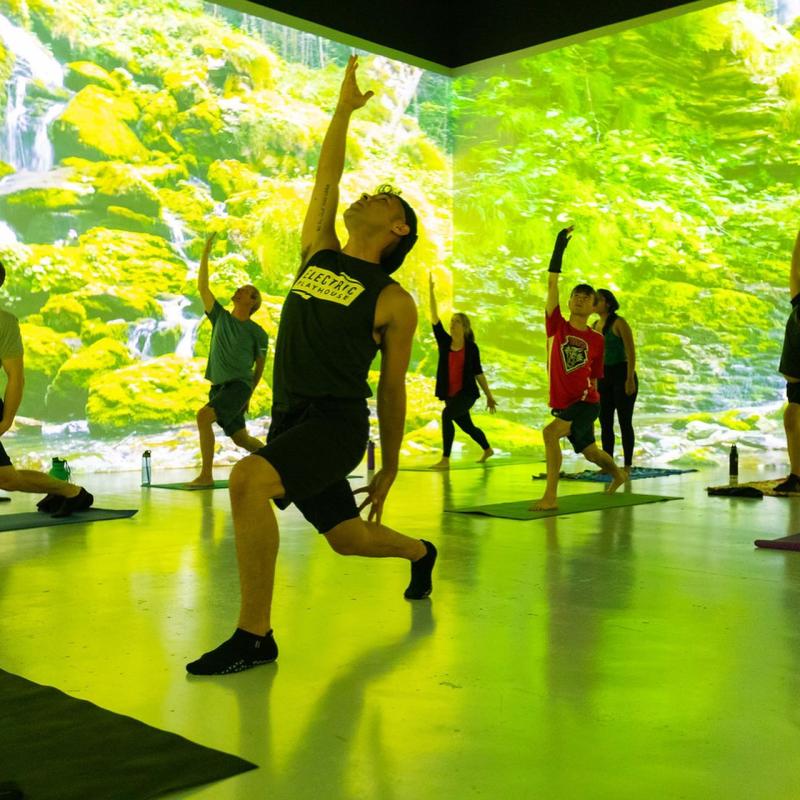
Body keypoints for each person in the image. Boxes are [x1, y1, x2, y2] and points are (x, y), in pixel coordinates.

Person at [187, 55, 437, 676]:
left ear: (396, 226)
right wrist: (342, 111)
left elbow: (392, 389)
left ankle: (255, 635)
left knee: (247, 481)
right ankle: (420, 553)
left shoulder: (393, 300)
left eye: (379, 198)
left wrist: (392, 464)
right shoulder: (318, 251)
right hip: (292, 420)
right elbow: (328, 177)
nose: (363, 194)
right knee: (347, 539)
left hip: (335, 424)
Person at [531, 227, 626, 511]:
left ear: (593, 305)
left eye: (588, 297)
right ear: (570, 302)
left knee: (550, 434)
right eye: (577, 296)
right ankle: (619, 474)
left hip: (585, 403)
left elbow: (595, 377)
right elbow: (551, 286)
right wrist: (558, 250)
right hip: (565, 405)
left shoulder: (597, 339)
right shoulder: (556, 326)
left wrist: (593, 403)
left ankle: (550, 497)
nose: (581, 299)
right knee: (592, 454)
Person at [0, 260, 93, 516]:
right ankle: (67, 491)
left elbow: (15, 377)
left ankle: (71, 492)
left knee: (5, 479)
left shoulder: (5, 323)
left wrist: (7, 419)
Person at [186, 232, 269, 487]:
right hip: (219, 388)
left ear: (252, 301)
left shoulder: (257, 332)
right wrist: (204, 253)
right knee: (242, 439)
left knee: (203, 417)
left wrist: (247, 396)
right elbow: (203, 287)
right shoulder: (220, 317)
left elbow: (259, 367)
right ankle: (279, 463)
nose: (238, 290)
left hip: (238, 387)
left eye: (244, 291)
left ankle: (206, 476)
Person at [428, 273, 496, 468]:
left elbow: (478, 373)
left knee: (446, 415)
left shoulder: (471, 347)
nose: (452, 324)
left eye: (456, 322)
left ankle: (445, 459)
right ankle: (487, 449)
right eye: (451, 321)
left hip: (467, 394)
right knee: (467, 426)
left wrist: (489, 396)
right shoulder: (444, 341)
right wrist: (431, 292)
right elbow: (434, 318)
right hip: (450, 394)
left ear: (464, 327)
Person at [593, 289, 638, 475]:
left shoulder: (619, 323)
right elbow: (594, 357)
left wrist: (629, 379)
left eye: (598, 299)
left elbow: (631, 352)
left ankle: (627, 464)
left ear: (608, 303)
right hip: (604, 377)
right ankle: (608, 463)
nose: (594, 302)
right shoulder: (594, 324)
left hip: (622, 374)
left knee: (624, 421)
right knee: (605, 421)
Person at [776, 230, 800, 493]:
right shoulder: (798, 305)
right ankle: (797, 476)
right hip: (797, 381)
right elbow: (795, 268)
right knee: (792, 415)